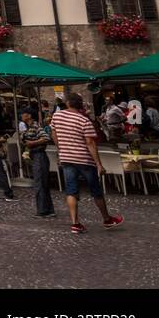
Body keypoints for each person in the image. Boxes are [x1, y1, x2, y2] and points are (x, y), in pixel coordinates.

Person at [52, 93, 123, 234]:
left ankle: (75, 223)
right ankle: (107, 219)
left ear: (68, 103)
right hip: (84, 159)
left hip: (67, 158)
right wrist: (98, 164)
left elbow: (54, 133)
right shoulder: (84, 120)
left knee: (71, 191)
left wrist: (61, 148)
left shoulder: (57, 116)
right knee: (95, 190)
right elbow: (90, 143)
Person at [20, 109, 55, 217]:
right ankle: (48, 209)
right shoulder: (29, 127)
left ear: (29, 115)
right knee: (42, 183)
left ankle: (43, 211)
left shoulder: (35, 126)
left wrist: (32, 143)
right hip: (36, 156)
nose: (22, 116)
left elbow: (46, 137)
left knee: (40, 184)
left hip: (39, 156)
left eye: (23, 114)